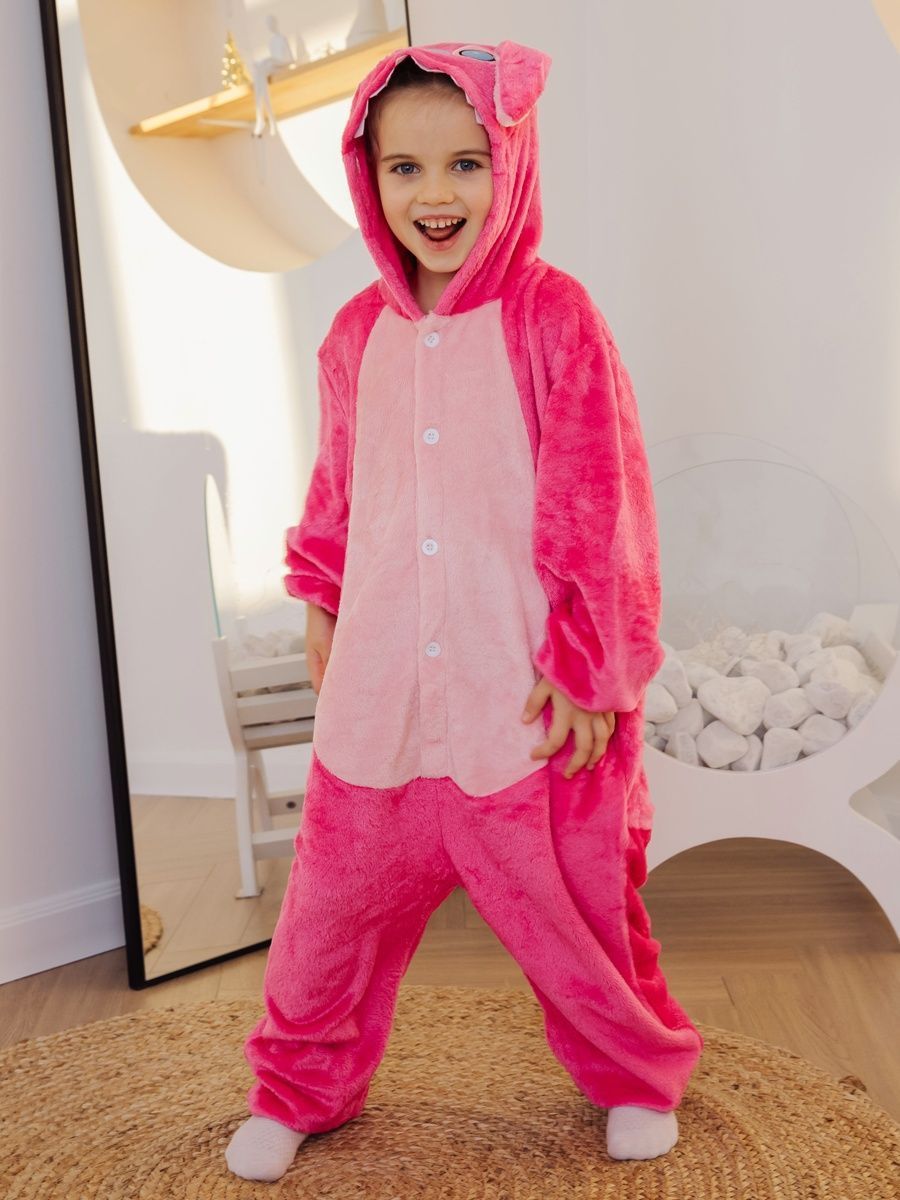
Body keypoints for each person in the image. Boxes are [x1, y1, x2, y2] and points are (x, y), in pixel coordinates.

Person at [225, 40, 704, 1183]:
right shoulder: (356, 334)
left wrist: (591, 668)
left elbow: (602, 503)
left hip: (523, 702)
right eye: (405, 168)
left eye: (465, 164)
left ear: (511, 165)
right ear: (370, 178)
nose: (435, 194)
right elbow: (339, 492)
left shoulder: (554, 318)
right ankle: (296, 1087)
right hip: (383, 698)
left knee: (578, 918)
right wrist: (321, 600)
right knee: (325, 922)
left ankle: (633, 1076)